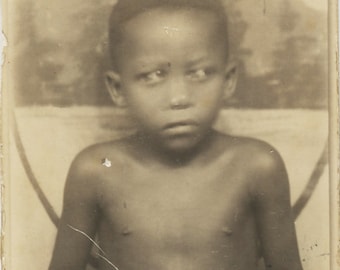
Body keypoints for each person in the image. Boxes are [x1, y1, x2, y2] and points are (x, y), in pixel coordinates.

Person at [49, 0, 303, 269]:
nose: (179, 98)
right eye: (153, 75)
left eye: (200, 73)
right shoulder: (95, 172)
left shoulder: (257, 166)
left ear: (228, 79)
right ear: (117, 88)